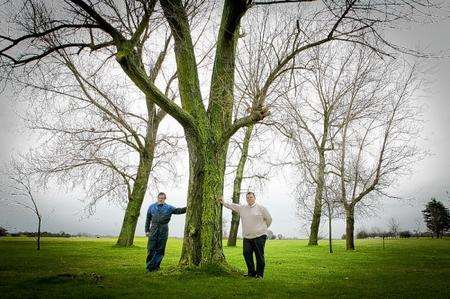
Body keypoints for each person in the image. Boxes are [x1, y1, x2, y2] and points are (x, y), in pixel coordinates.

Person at [219, 192, 272, 278]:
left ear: (254, 198)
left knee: (259, 255)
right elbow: (232, 206)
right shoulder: (243, 208)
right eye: (247, 198)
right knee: (246, 254)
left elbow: (269, 219)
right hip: (247, 236)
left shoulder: (261, 208)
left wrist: (263, 229)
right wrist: (224, 202)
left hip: (259, 236)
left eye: (251, 197)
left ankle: (259, 274)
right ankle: (251, 273)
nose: (249, 199)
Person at [145, 192, 186, 272]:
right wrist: (146, 230)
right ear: (157, 198)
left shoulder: (169, 208)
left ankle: (156, 266)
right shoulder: (151, 207)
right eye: (159, 198)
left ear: (165, 199)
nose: (161, 199)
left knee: (160, 249)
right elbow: (148, 219)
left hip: (163, 229)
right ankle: (149, 267)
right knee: (151, 249)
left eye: (162, 198)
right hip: (153, 229)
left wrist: (188, 207)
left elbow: (178, 210)